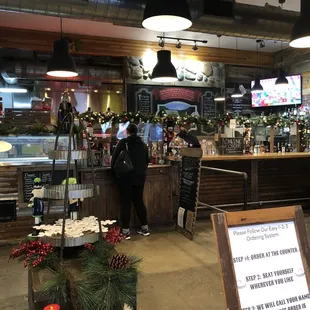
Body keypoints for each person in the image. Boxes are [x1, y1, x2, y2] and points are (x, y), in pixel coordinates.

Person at [111, 123, 150, 240]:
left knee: (125, 203)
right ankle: (145, 228)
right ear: (137, 132)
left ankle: (126, 231)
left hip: (126, 178)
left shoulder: (123, 143)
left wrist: (114, 173)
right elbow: (146, 161)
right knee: (139, 202)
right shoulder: (143, 145)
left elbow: (114, 160)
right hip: (139, 178)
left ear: (127, 132)